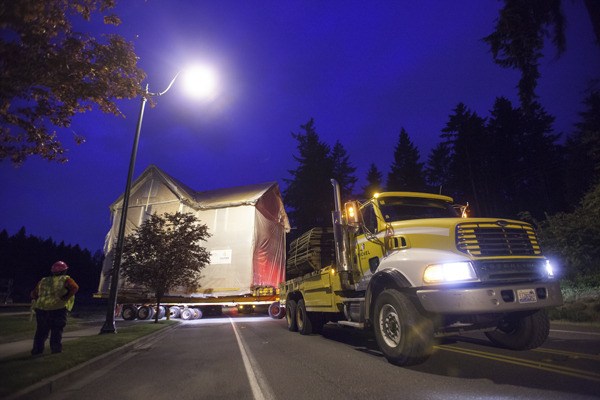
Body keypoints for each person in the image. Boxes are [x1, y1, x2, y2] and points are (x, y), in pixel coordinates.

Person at [30, 260, 79, 356]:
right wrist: (65, 297)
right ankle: (55, 350)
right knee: (56, 330)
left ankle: (37, 350)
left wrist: (39, 300)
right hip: (58, 308)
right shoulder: (66, 280)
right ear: (64, 271)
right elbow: (75, 288)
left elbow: (34, 294)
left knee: (41, 331)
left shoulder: (43, 281)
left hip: (41, 309)